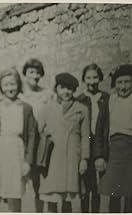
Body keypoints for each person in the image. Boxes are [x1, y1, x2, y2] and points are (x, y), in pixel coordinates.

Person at [0, 68, 38, 212]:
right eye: (6, 85)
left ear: (18, 84)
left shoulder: (26, 108)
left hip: (16, 152)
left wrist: (28, 161)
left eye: (13, 84)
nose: (10, 88)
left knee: (14, 194)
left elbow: (32, 135)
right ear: (0, 87)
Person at [38, 73, 90, 212]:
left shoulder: (82, 109)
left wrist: (84, 159)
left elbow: (86, 136)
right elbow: (38, 130)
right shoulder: (47, 108)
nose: (66, 92)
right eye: (62, 88)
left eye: (70, 89)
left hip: (72, 159)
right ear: (56, 88)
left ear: (74, 90)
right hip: (52, 159)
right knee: (52, 197)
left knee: (68, 198)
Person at [19, 58, 52, 212]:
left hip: (42, 142)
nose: (35, 75)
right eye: (31, 72)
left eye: (38, 72)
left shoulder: (47, 94)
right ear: (25, 74)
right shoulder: (19, 95)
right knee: (23, 180)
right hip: (24, 142)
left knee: (40, 181)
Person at [98, 64, 132, 212]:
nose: (123, 87)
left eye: (127, 82)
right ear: (114, 84)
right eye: (119, 82)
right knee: (114, 193)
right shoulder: (109, 101)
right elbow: (99, 131)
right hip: (114, 152)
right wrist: (100, 156)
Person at [76, 63, 109, 212]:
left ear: (100, 78)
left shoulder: (106, 98)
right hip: (85, 146)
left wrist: (102, 154)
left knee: (97, 189)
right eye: (88, 78)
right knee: (85, 189)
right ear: (84, 79)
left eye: (95, 77)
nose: (92, 81)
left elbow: (106, 126)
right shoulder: (79, 100)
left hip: (100, 146)